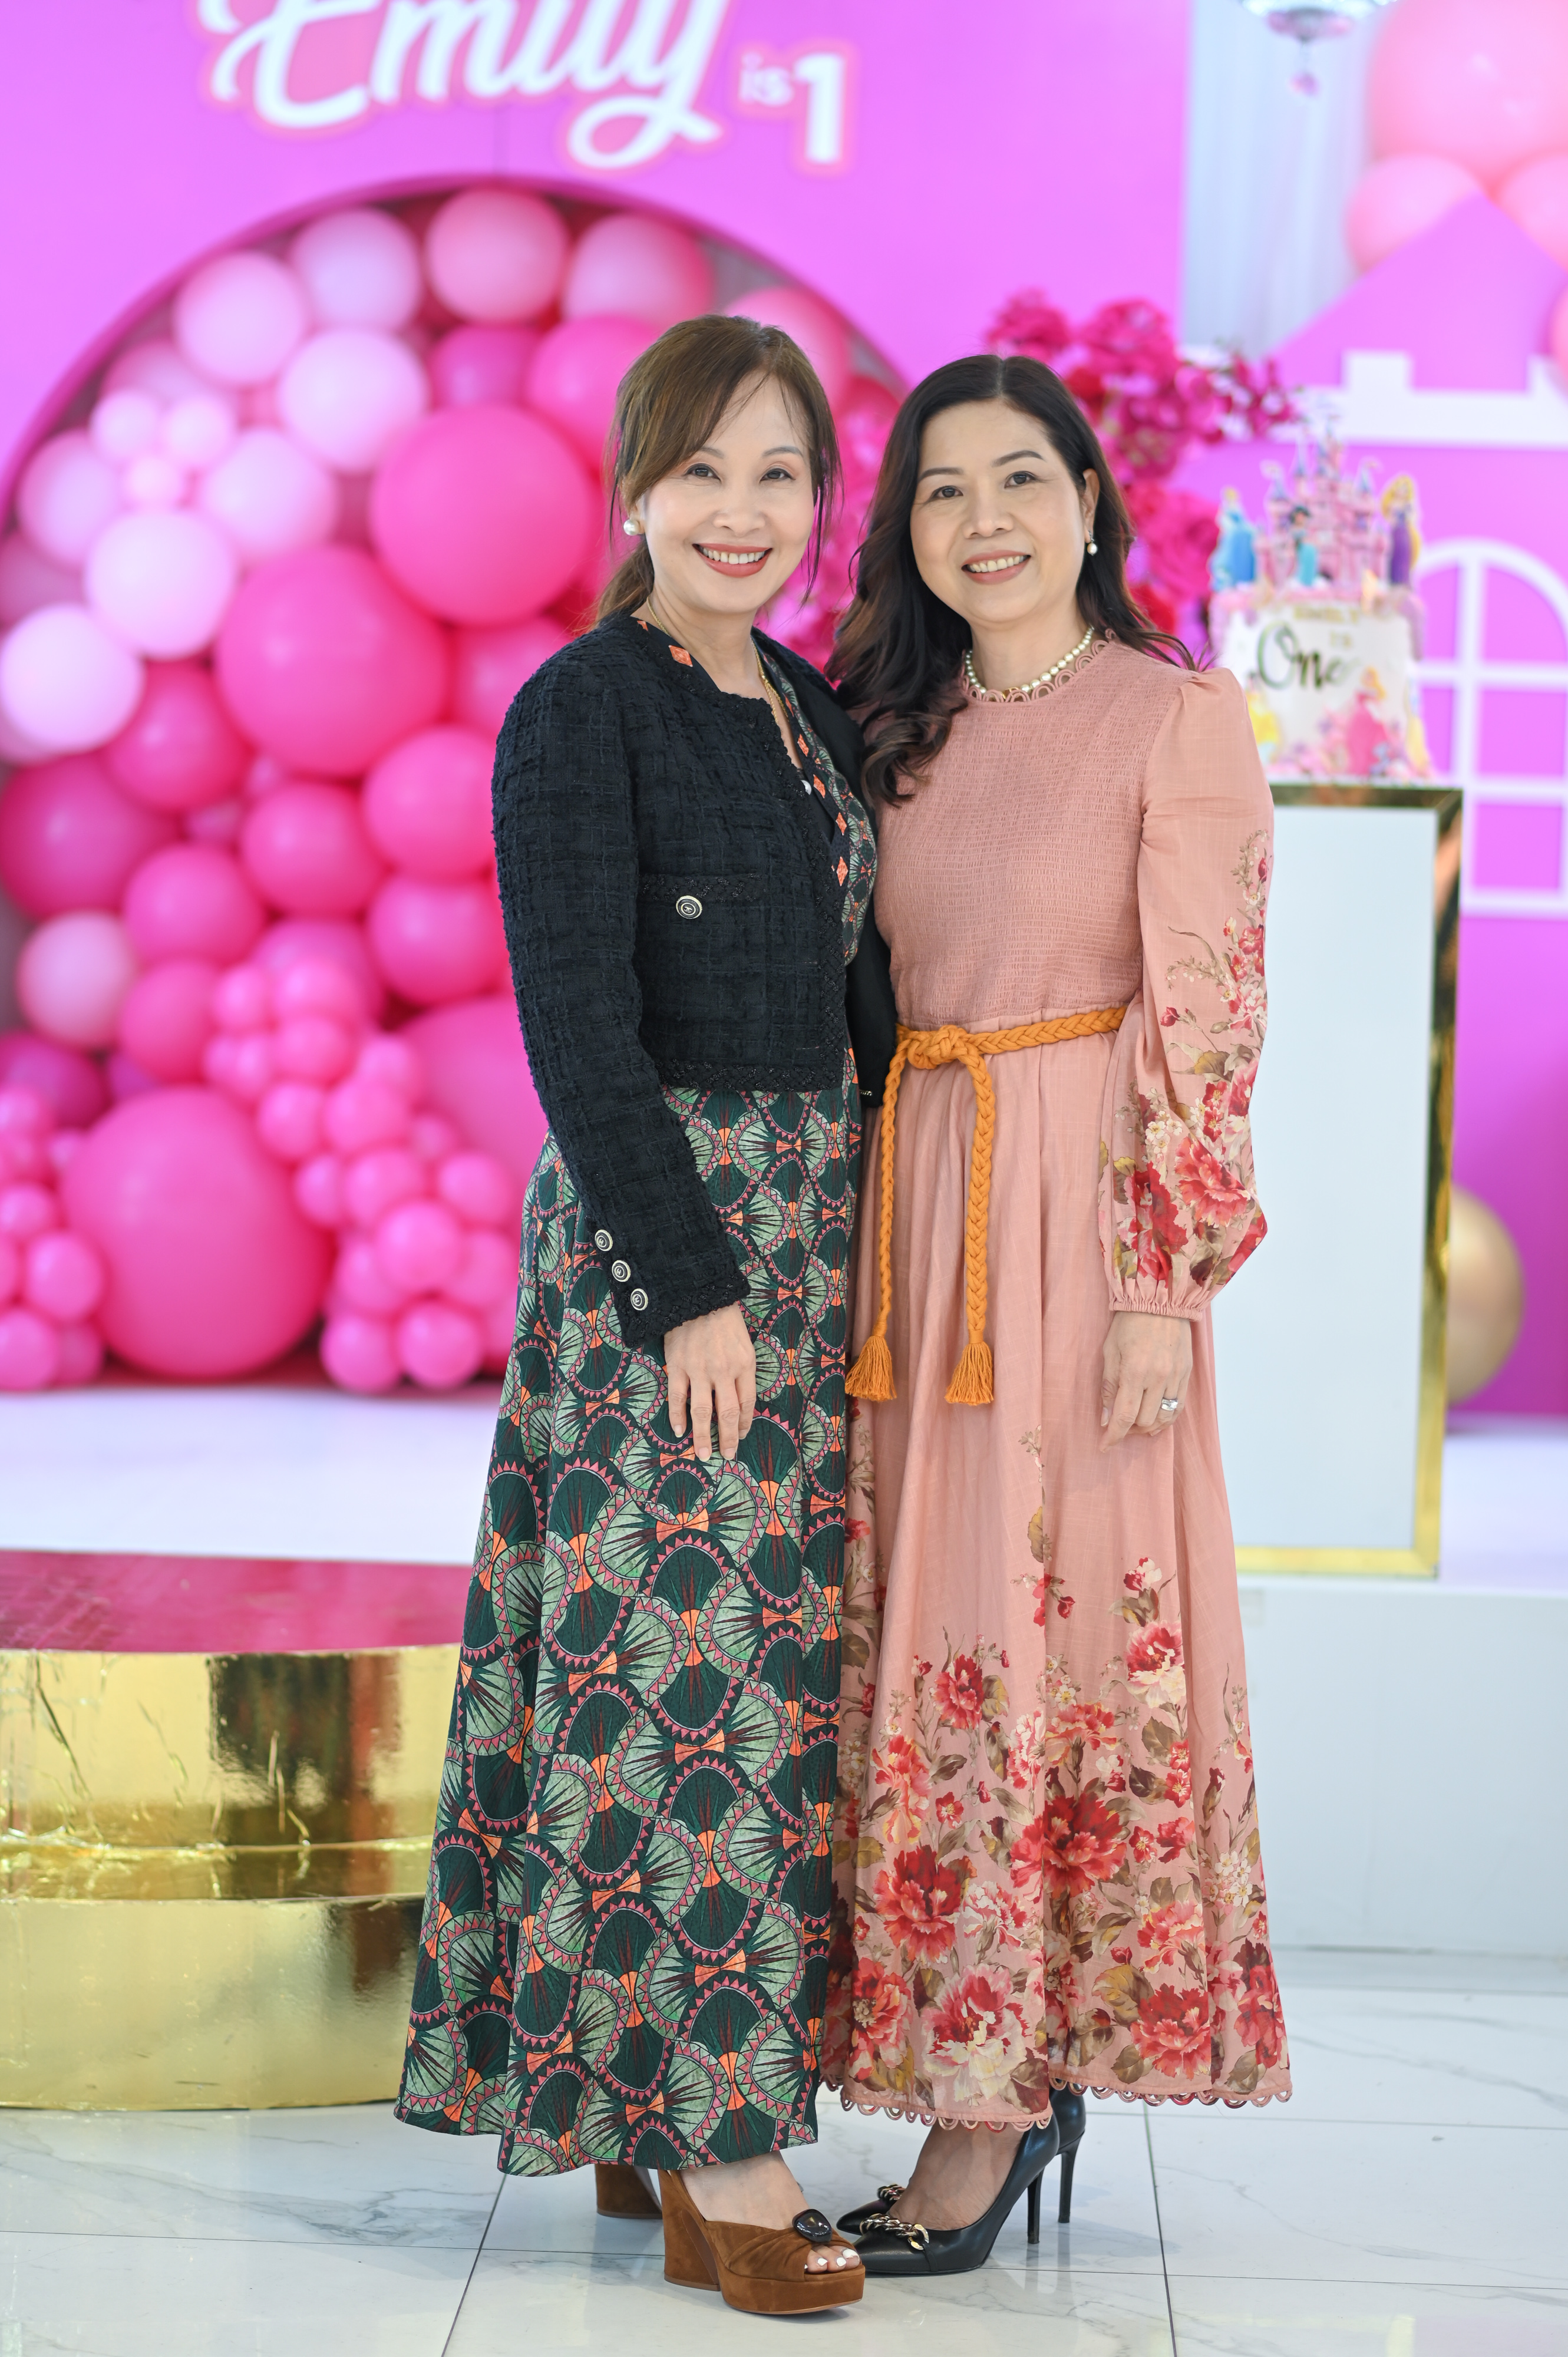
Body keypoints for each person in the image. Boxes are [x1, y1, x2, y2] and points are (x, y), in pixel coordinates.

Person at [395, 315, 898, 2318]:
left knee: (759, 1688)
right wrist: (689, 1286)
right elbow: (576, 1023)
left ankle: (650, 2107)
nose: (743, 513)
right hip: (666, 1249)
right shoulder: (579, 705)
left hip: (815, 1237)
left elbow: (862, 996)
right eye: (705, 471)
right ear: (633, 488)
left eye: (781, 474)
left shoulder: (805, 701)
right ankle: (728, 2163)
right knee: (675, 1683)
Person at [821, 354, 1293, 2277]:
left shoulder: (1176, 719)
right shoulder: (886, 728)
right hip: (919, 1204)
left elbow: (1212, 1014)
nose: (986, 522)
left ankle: (995, 2108)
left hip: (1080, 1214)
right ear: (909, 533)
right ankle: (976, 2061)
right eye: (943, 492)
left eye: (1021, 480)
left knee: (1046, 1631)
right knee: (930, 1624)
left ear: (1091, 503)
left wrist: (1162, 1285)